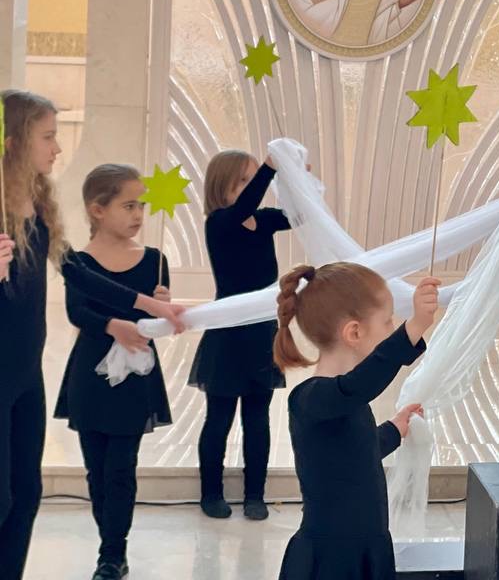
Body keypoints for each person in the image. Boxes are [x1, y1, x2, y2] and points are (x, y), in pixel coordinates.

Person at [0, 90, 184, 579]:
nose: (57, 148)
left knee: (25, 494)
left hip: (25, 378)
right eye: (48, 136)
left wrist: (150, 304)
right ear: (14, 141)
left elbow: (78, 275)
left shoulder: (37, 206)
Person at [274, 263, 440, 580]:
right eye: (387, 321)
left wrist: (395, 429)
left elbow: (357, 450)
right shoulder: (310, 398)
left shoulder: (344, 400)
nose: (392, 327)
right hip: (332, 559)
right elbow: (360, 384)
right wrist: (415, 326)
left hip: (366, 548)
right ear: (354, 332)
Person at [54, 164, 175, 580]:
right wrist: (112, 326)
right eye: (128, 205)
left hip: (135, 378)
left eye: (142, 205)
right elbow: (78, 312)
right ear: (98, 209)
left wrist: (162, 307)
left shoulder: (155, 261)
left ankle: (112, 553)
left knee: (122, 468)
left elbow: (158, 323)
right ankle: (109, 543)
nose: (139, 213)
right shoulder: (77, 262)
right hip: (91, 375)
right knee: (97, 470)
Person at [189, 150, 292, 520]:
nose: (253, 188)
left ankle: (254, 495)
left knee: (257, 420)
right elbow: (244, 206)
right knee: (219, 419)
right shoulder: (219, 223)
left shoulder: (262, 221)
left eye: (254, 180)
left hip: (261, 334)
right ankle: (211, 493)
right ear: (224, 185)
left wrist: (297, 178)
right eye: (244, 180)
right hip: (227, 336)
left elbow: (300, 215)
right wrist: (269, 168)